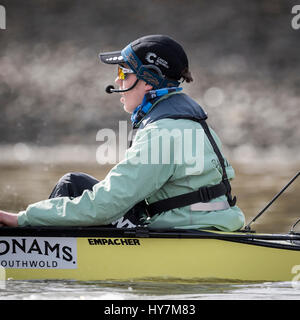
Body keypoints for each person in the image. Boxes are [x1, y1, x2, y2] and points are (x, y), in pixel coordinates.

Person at [0, 34, 245, 231]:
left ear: (148, 80)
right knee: (77, 184)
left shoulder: (162, 132)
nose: (118, 82)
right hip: (206, 226)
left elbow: (104, 206)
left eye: (122, 73)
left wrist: (23, 218)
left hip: (190, 234)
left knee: (70, 186)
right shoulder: (194, 121)